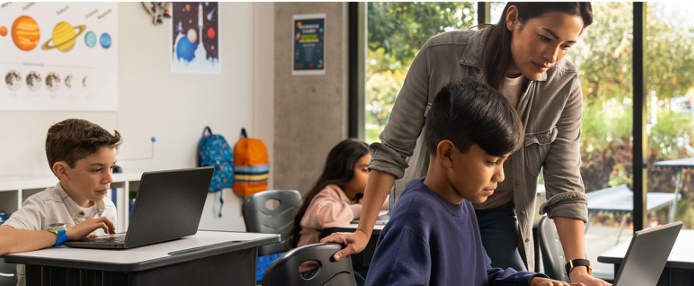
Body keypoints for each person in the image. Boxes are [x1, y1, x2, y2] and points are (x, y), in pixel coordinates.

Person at [323, 3, 610, 286]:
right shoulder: (440, 54)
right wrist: (364, 231)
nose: (552, 56)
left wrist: (578, 271)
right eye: (545, 38)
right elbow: (393, 149)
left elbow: (565, 184)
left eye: (566, 46)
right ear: (513, 17)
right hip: (433, 206)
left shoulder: (564, 83)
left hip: (484, 210)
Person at [366, 79, 578, 286]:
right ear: (448, 154)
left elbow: (482, 275)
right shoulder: (414, 218)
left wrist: (531, 281)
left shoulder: (463, 205)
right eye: (492, 162)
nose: (500, 176)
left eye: (504, 162)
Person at [0, 118, 120, 285]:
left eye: (112, 167)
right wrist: (67, 234)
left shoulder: (107, 207)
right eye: (96, 170)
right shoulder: (42, 206)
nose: (109, 178)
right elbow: (2, 240)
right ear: (62, 171)